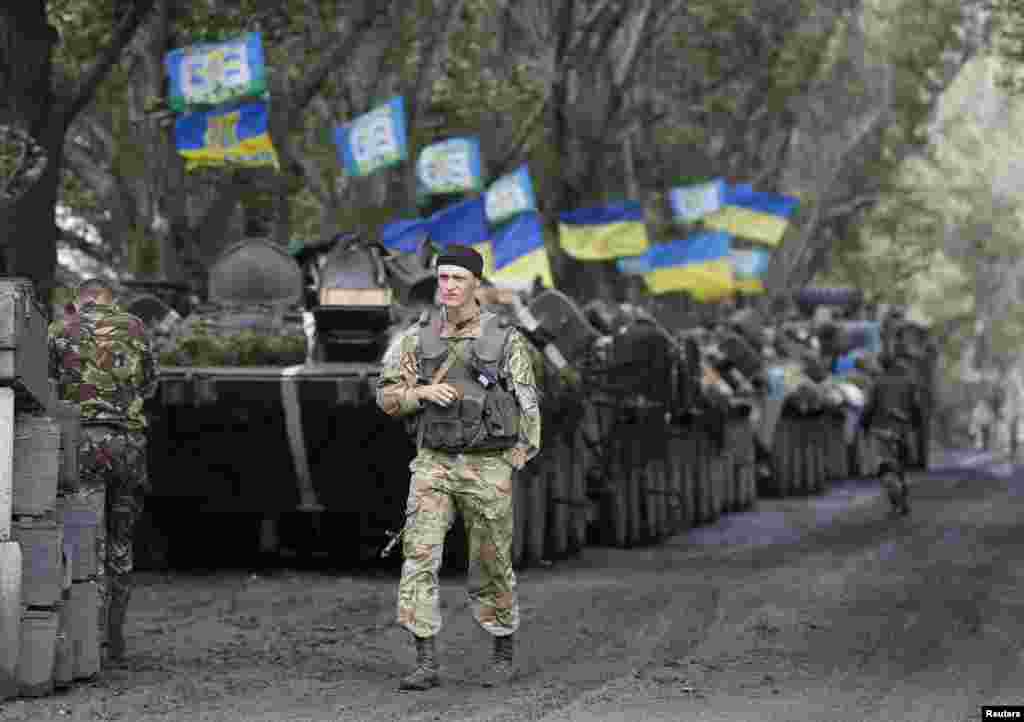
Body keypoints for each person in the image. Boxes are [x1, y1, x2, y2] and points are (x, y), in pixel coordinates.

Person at [376, 244, 541, 691]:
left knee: (491, 561)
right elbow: (387, 397)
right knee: (419, 556)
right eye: (443, 278)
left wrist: (514, 459)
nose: (448, 286)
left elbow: (527, 405)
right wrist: (423, 395)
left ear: (476, 285)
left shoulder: (505, 340)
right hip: (433, 463)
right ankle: (426, 660)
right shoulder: (414, 339)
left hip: (488, 467)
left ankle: (502, 647)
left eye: (458, 278)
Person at [48, 278, 159, 664]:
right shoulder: (135, 327)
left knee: (79, 537)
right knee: (121, 539)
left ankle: (82, 641)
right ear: (112, 302)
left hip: (80, 445)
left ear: (79, 302)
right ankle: (116, 638)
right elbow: (149, 385)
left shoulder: (61, 329)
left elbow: (46, 390)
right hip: (127, 444)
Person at [860, 352, 919, 516]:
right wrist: (913, 426)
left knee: (886, 469)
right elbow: (915, 406)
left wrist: (863, 424)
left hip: (882, 430)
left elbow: (869, 406)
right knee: (900, 469)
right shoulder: (909, 381)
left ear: (881, 365)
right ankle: (900, 504)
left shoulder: (877, 383)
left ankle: (897, 503)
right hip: (903, 430)